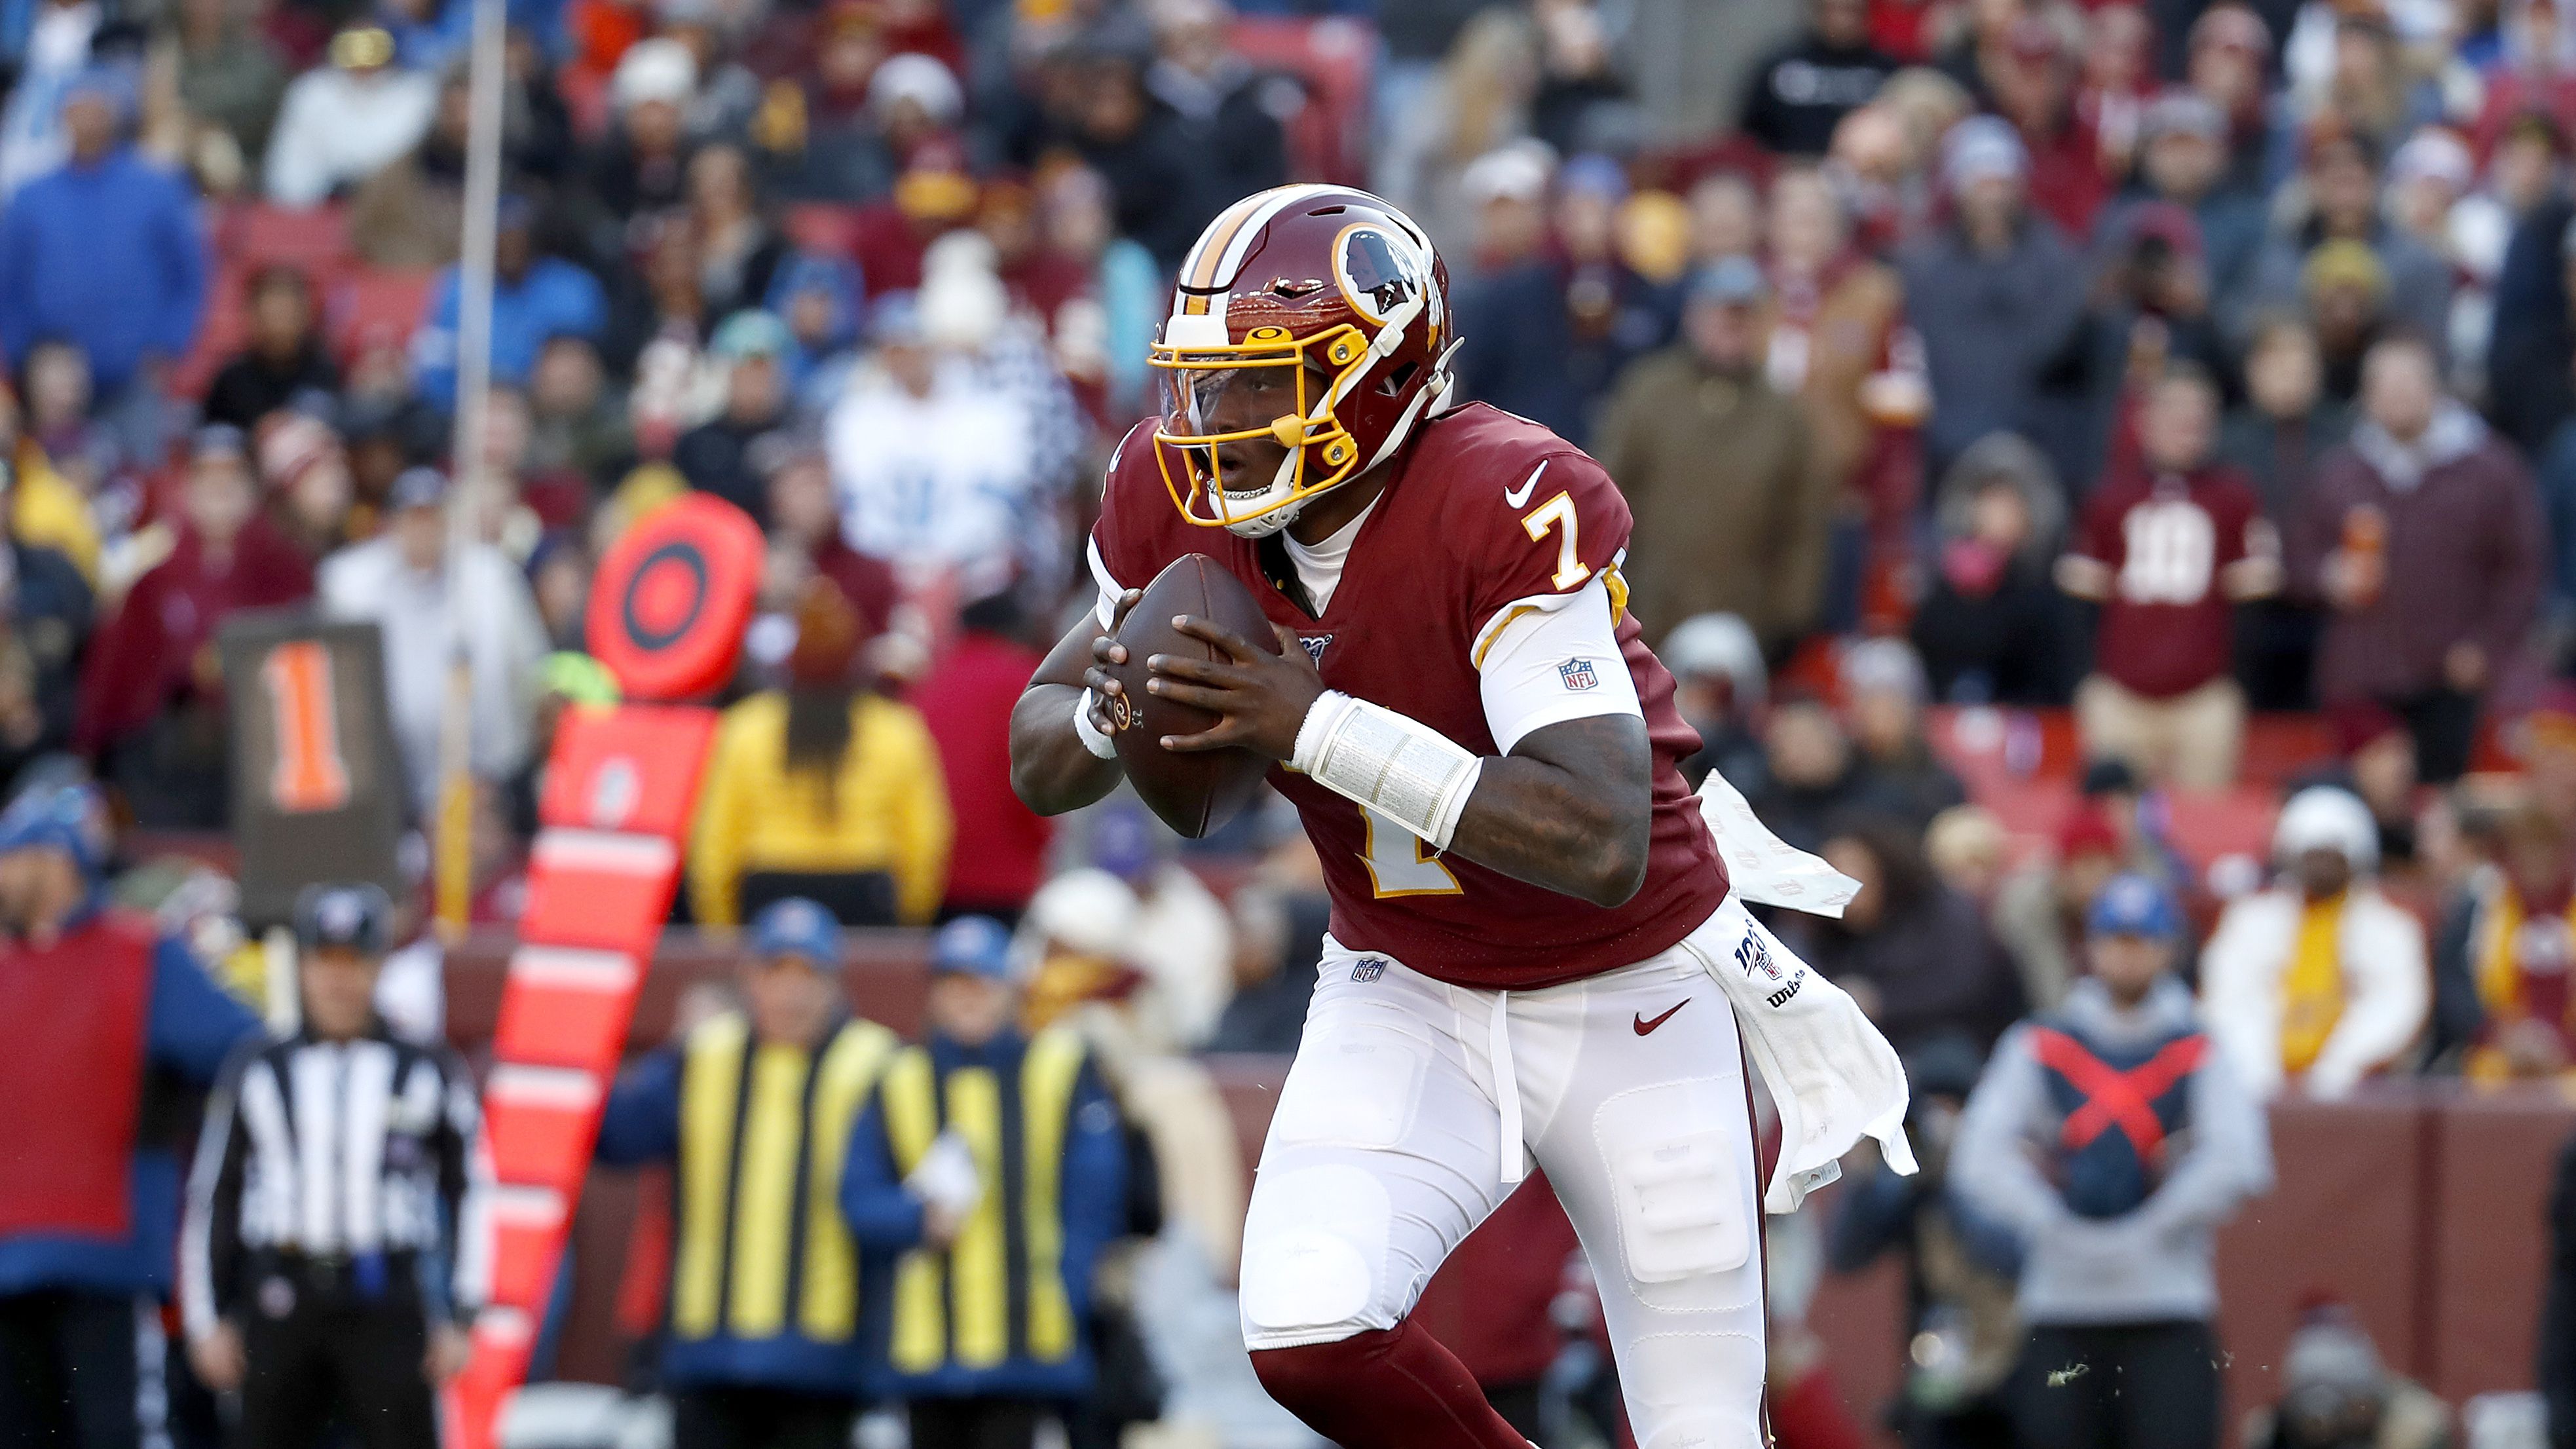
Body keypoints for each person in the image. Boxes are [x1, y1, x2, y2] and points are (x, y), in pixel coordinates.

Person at [1009, 185, 1913, 1449]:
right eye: (1204, 384)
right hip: (1405, 982)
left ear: (1374, 373)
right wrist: (1114, 709)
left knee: (1700, 1429)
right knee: (1306, 1333)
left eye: (1259, 384)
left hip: (1627, 995)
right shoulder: (1171, 494)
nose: (1215, 422)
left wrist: (1305, 721)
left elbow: (1601, 839)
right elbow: (1040, 748)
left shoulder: (1500, 494)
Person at [1952, 873, 2273, 1449]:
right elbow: (1978, 1157)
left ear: (2167, 947)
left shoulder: (2199, 1046)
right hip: (2059, 1305)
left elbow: (2239, 1159)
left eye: (2141, 940)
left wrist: (2152, 1226)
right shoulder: (2040, 1044)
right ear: (2091, 947)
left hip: (2168, 1305)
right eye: (2115, 939)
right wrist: (2048, 1221)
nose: (2127, 955)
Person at [0, 783, 259, 1449]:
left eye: (12, 856)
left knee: (117, 1432)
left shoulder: (141, 956)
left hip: (107, 1263)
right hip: (11, 1265)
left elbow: (242, 1052)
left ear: (55, 860)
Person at [178, 884, 481, 1449]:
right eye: (324, 961)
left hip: (386, 1294)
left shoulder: (428, 1068)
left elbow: (470, 1191)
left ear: (379, 966)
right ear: (302, 965)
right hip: (281, 1293)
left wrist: (462, 1315)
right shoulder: (258, 1068)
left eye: (354, 962)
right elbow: (215, 1194)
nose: (338, 980)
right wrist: (208, 1317)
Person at [595, 898, 901, 1449]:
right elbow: (619, 1138)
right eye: (775, 973)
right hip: (707, 1346)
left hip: (825, 1355)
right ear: (749, 980)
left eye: (807, 975)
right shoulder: (704, 1056)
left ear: (834, 984)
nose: (791, 993)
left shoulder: (876, 1064)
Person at [840, 914, 1127, 1449]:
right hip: (925, 1340)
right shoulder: (897, 1078)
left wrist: (1063, 1289)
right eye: (953, 984)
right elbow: (856, 1198)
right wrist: (914, 1219)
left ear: (1009, 990)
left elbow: (1095, 1199)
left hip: (1026, 1340)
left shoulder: (1059, 1068)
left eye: (980, 984)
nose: (967, 999)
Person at [2292, 336, 2544, 783]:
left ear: (2435, 388)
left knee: (2439, 810)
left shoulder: (2490, 469)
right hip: (2359, 674)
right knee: (2369, 804)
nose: (2396, 397)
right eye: (2383, 386)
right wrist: (2326, 576)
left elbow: (2521, 569)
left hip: (2449, 675)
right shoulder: (2339, 471)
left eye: (2407, 384)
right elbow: (2297, 555)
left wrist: (2485, 645)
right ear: (2365, 397)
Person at [1595, 255, 1834, 654]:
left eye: (1743, 318)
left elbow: (1803, 525)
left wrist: (1788, 618)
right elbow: (1604, 494)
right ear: (1694, 317)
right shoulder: (1647, 391)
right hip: (1646, 614)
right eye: (1721, 315)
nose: (1731, 329)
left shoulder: (1785, 415)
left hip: (1746, 623)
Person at [75, 427, 314, 827]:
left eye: (232, 476)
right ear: (188, 488)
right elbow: (117, 681)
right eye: (207, 476)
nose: (220, 488)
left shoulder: (288, 572)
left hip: (258, 757)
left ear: (253, 488)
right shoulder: (153, 577)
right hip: (169, 766)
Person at [2059, 365, 2281, 789]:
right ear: (2144, 421)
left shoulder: (2234, 495)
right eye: (2175, 412)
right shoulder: (2109, 496)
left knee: (2204, 829)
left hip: (2203, 697)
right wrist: (2089, 682)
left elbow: (2252, 606)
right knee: (2115, 824)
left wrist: (2233, 684)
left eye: (2199, 414)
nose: (2188, 425)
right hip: (2120, 695)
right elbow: (2079, 603)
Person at [688, 576, 952, 929]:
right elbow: (925, 841)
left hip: (769, 889)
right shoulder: (897, 731)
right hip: (865, 891)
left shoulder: (745, 728)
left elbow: (715, 841)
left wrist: (721, 926)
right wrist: (905, 918)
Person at [318, 466, 548, 816]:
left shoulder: (491, 576)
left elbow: (533, 669)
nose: (423, 530)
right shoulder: (351, 583)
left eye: (433, 518)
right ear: (391, 525)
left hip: (488, 778)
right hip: (393, 783)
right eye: (413, 519)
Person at [0, 66, 207, 419]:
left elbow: (189, 275)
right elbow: (8, 281)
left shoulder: (157, 189)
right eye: (79, 109)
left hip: (136, 378)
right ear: (62, 114)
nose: (88, 121)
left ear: (117, 116)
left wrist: (168, 344)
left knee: (138, 471)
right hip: (51, 386)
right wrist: (23, 356)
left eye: (98, 110)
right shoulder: (31, 197)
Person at [2201, 786, 2429, 1099]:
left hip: (2360, 1096)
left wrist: (2338, 1070)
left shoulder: (2392, 929)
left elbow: (2398, 1007)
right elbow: (2227, 1001)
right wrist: (2261, 1074)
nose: (2321, 867)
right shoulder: (2250, 920)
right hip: (2256, 1086)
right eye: (2312, 854)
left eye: (2332, 856)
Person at [912, 590, 1055, 924]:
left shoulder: (929, 681)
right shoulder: (1027, 680)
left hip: (935, 880)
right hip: (1007, 877)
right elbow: (1038, 782)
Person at [411, 196, 608, 409]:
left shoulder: (573, 288)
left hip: (547, 413)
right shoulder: (458, 288)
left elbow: (585, 370)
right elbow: (434, 368)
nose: (511, 247)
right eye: (503, 236)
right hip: (470, 413)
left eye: (519, 237)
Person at [261, 26, 436, 208]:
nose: (363, 68)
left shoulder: (415, 96)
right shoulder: (312, 93)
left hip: (394, 209)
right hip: (318, 208)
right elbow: (292, 163)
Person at [1740, 0, 1897, 156]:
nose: (1843, 20)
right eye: (1834, 9)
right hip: (1790, 168)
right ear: (1817, 10)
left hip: (1867, 172)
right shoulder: (1780, 64)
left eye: (1852, 11)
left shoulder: (1886, 68)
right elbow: (1747, 135)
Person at [200, 267, 340, 434]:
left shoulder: (326, 371)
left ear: (306, 314)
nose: (279, 322)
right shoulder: (231, 378)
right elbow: (211, 431)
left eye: (286, 311)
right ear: (252, 315)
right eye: (272, 311)